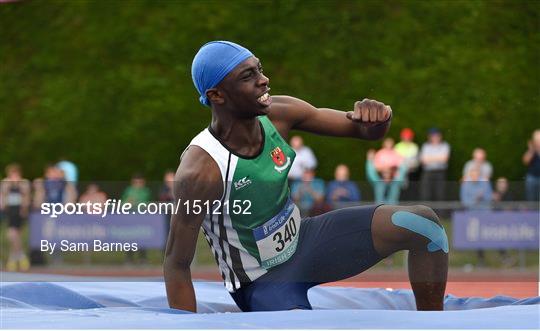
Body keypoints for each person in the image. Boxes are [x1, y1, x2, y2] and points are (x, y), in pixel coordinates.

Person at [164, 41, 448, 313]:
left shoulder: (280, 113)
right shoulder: (202, 169)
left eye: (260, 69)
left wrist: (378, 119)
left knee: (424, 226)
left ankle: (434, 324)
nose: (263, 80)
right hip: (261, 281)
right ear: (217, 95)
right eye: (248, 76)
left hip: (305, 240)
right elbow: (176, 264)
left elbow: (362, 130)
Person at [0, 164, 31, 271]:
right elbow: (3, 199)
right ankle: (21, 256)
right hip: (10, 212)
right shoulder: (5, 183)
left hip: (19, 212)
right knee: (11, 235)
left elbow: (26, 197)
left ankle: (12, 258)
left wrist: (24, 210)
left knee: (17, 235)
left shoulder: (24, 183)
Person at [122, 173, 151, 263]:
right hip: (130, 219)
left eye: (139, 182)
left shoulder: (146, 191)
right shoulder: (128, 190)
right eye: (135, 182)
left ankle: (143, 258)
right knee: (130, 238)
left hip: (142, 219)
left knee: (142, 238)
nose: (137, 184)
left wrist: (135, 202)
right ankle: (129, 258)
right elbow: (123, 202)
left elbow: (146, 203)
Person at [419, 128, 450, 201]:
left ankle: (440, 212)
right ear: (429, 137)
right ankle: (426, 212)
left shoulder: (445, 146)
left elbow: (444, 159)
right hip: (428, 173)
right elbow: (423, 160)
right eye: (433, 136)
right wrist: (438, 158)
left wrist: (430, 158)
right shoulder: (425, 146)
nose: (435, 138)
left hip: (440, 172)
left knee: (440, 194)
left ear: (440, 136)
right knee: (425, 194)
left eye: (437, 136)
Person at [395, 128, 420, 200]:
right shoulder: (398, 146)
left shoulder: (414, 147)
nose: (406, 139)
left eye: (408, 137)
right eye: (405, 137)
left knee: (411, 192)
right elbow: (396, 160)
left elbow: (415, 161)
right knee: (401, 192)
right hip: (400, 173)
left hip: (411, 172)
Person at [522, 129, 540, 201]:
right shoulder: (532, 150)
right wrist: (531, 150)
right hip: (532, 177)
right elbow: (525, 161)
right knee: (531, 198)